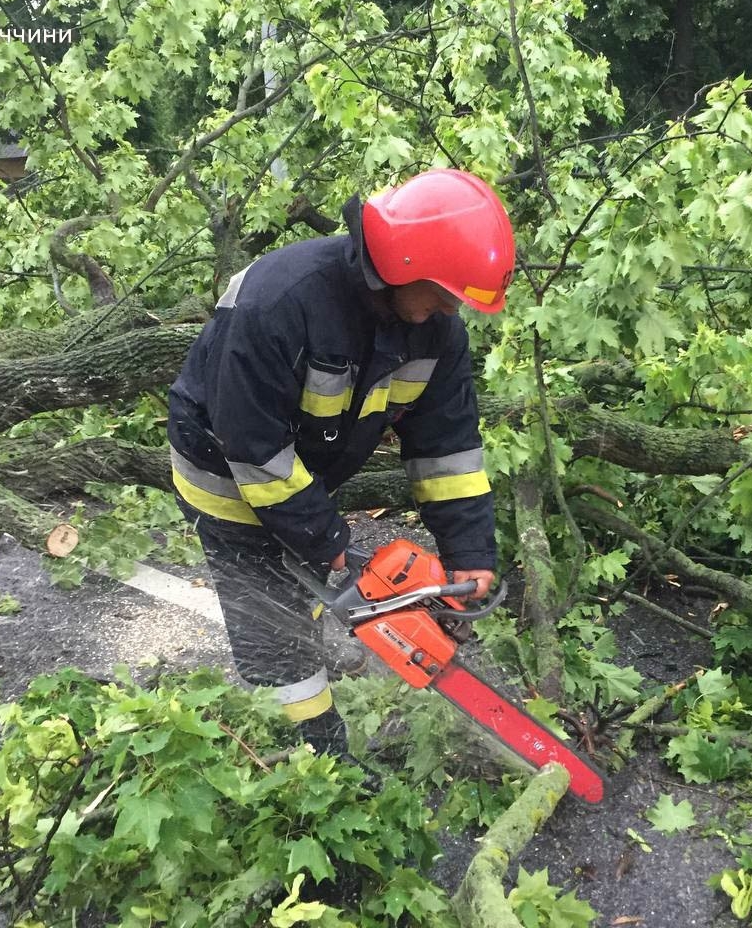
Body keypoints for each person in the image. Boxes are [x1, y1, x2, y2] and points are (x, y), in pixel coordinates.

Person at [166, 168, 514, 754]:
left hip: (303, 473)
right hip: (224, 475)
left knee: (305, 594)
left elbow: (447, 449)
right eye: (443, 292)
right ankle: (314, 764)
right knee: (274, 631)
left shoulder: (436, 333)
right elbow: (254, 449)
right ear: (407, 263)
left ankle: (310, 713)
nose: (450, 308)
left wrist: (470, 555)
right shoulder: (281, 300)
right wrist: (328, 543)